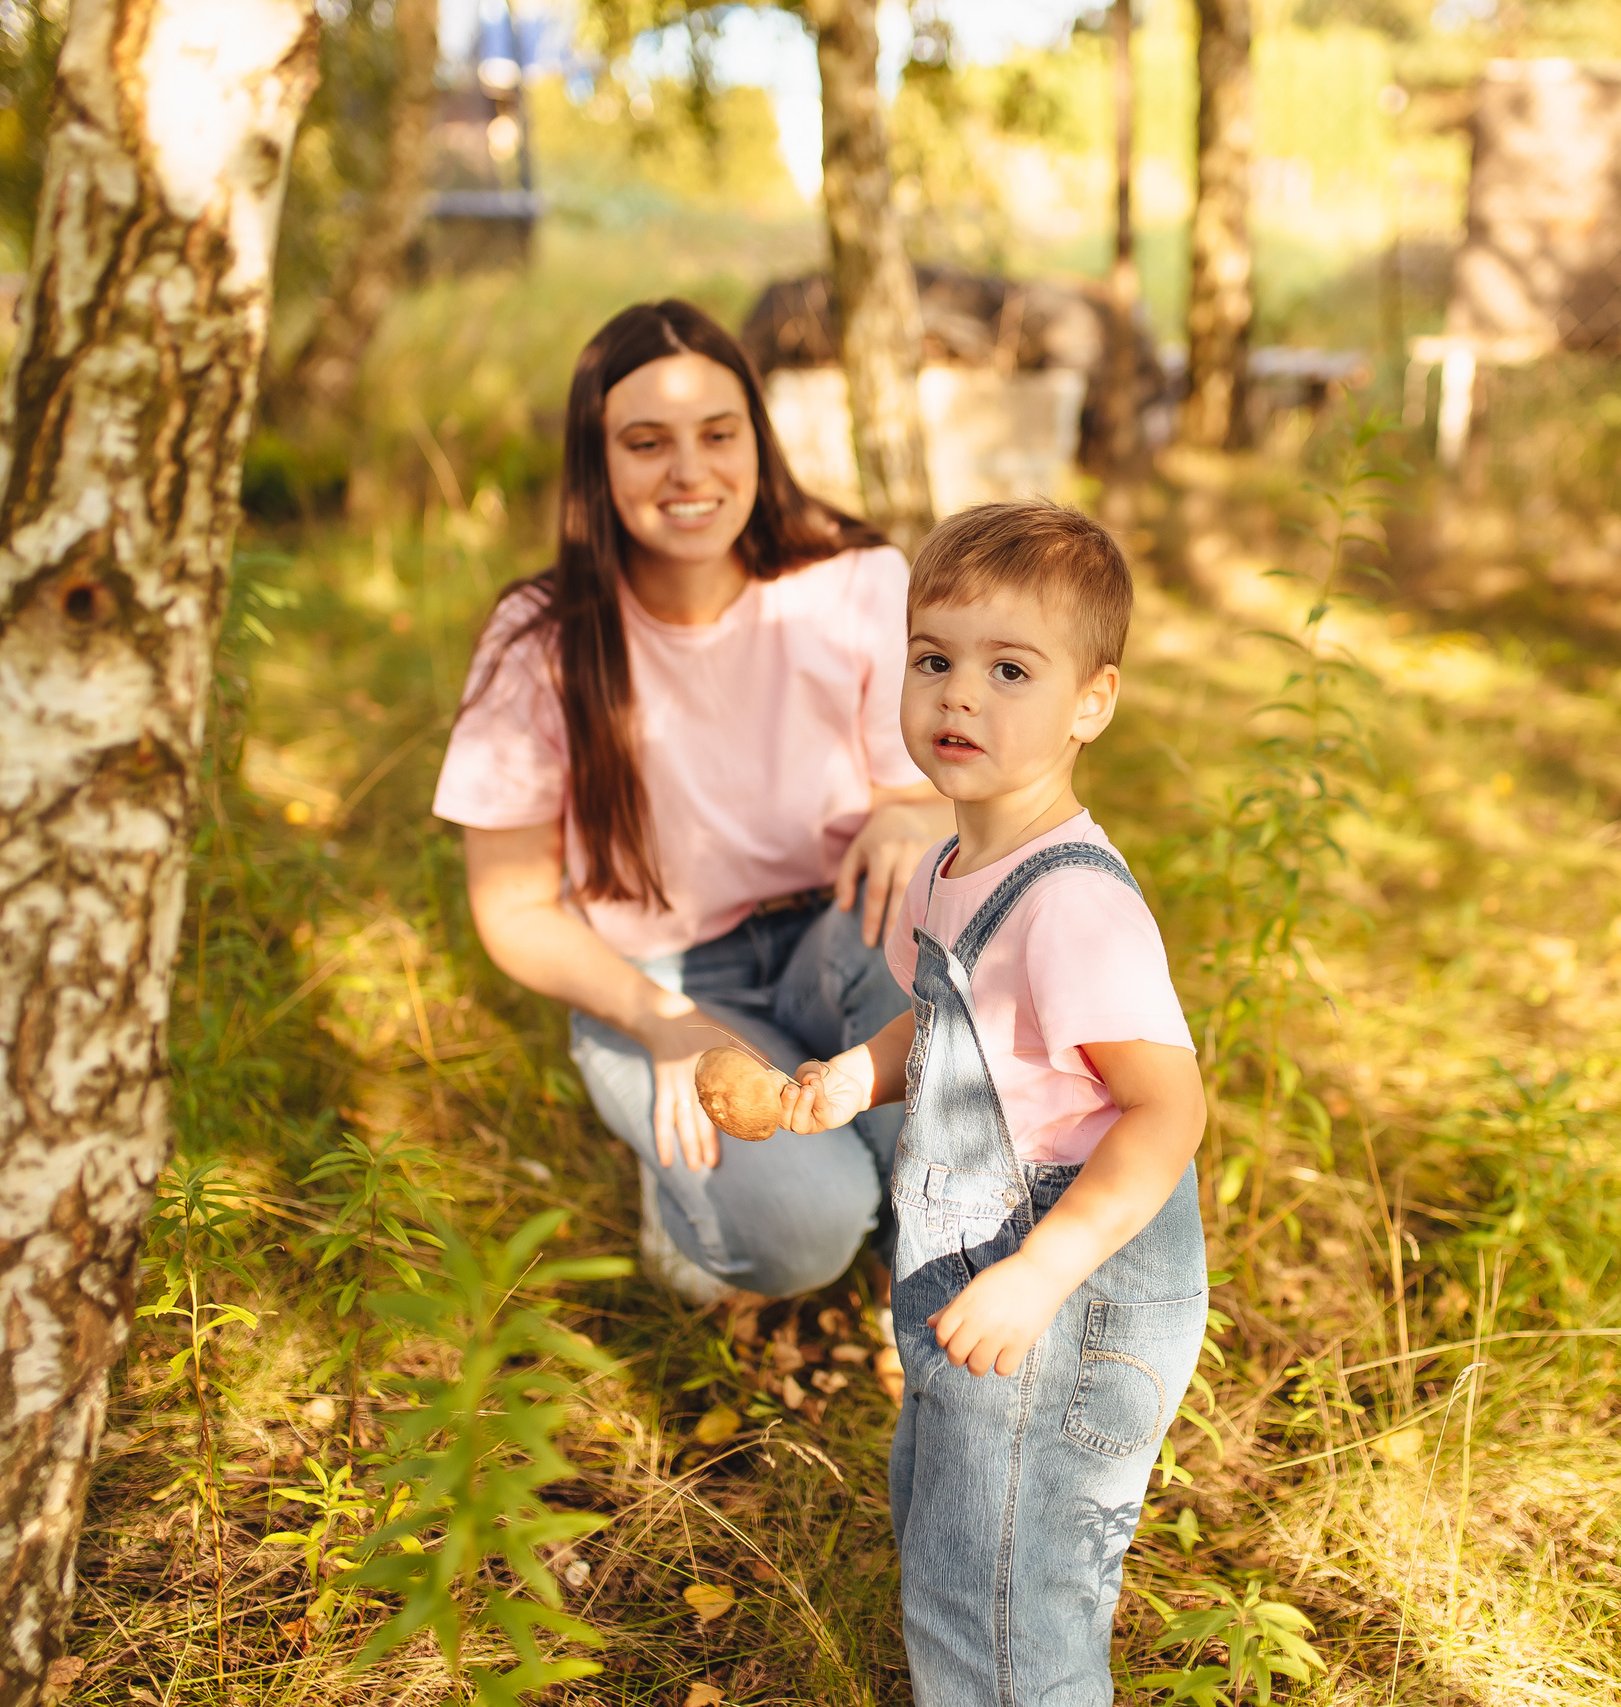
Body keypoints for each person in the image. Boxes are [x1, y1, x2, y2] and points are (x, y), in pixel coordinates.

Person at [432, 299, 953, 1306]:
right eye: (646, 442)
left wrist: (906, 811)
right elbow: (512, 910)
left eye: (719, 435)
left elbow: (929, 801)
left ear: (755, 440)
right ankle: (702, 1205)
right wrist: (663, 1024)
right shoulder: (539, 642)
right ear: (598, 462)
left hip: (837, 939)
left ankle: (919, 1245)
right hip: (661, 978)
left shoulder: (854, 581)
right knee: (802, 1232)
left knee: (936, 926)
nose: (691, 472)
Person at [775, 501, 1210, 1704]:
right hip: (979, 1263)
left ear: (1091, 703)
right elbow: (950, 1019)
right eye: (935, 660)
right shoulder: (952, 863)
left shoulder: (1074, 903)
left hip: (1070, 1285)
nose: (959, 697)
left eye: (1009, 669)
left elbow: (1166, 1114)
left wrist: (1038, 1272)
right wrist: (857, 1076)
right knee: (954, 1535)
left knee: (1007, 1596)